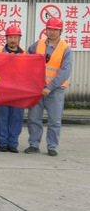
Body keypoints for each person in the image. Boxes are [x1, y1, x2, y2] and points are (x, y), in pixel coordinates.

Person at [25, 17, 72, 157]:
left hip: (55, 90)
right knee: (34, 118)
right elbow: (27, 59)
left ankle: (52, 146)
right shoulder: (38, 44)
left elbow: (65, 72)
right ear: (45, 30)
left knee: (55, 120)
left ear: (60, 31)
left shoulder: (65, 48)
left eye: (55, 30)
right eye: (49, 29)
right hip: (37, 89)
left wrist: (50, 87)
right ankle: (34, 144)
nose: (52, 32)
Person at [0, 25, 25, 153]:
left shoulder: (25, 53)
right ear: (6, 38)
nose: (13, 40)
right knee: (2, 117)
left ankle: (13, 143)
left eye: (15, 37)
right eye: (10, 37)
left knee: (16, 117)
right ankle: (2, 143)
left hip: (19, 91)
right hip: (3, 90)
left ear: (19, 39)